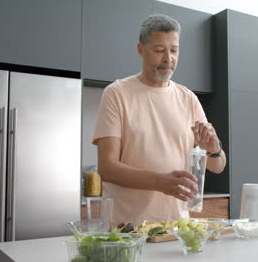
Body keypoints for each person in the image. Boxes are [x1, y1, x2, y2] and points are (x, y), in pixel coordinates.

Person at [92, 14, 227, 226]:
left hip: (177, 228)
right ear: (140, 49)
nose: (168, 58)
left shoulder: (188, 98)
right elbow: (107, 168)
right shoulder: (117, 93)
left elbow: (217, 166)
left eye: (174, 50)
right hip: (127, 229)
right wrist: (160, 182)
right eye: (159, 50)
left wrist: (214, 149)